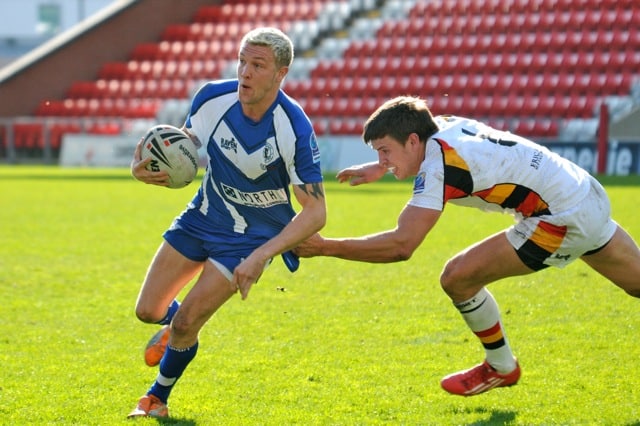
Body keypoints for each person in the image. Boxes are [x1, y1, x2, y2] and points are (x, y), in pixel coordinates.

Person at [294, 95, 640, 397]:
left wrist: (326, 247)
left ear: (412, 140)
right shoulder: (443, 126)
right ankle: (501, 365)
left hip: (562, 219)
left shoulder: (439, 164)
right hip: (586, 191)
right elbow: (424, 152)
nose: (384, 158)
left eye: (386, 151)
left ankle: (501, 366)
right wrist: (382, 166)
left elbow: (402, 245)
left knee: (457, 278)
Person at [127, 27, 326, 418]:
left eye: (257, 65)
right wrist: (147, 167)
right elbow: (182, 149)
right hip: (203, 217)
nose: (244, 73)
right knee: (148, 311)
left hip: (251, 240)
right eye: (241, 61)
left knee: (187, 323)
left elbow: (316, 212)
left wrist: (262, 256)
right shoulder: (212, 99)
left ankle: (156, 399)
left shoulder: (293, 126)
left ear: (280, 74)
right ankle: (175, 326)